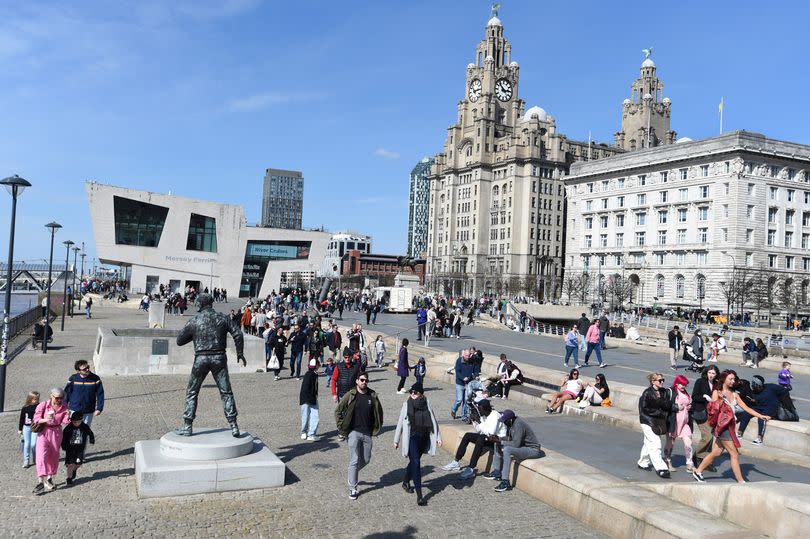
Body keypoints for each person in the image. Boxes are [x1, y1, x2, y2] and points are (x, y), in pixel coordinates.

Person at [174, 293, 247, 437]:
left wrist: (195, 334)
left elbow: (180, 341)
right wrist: (239, 353)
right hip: (219, 358)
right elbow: (238, 334)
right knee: (226, 391)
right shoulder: (222, 318)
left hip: (201, 359)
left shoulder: (194, 321)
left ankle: (187, 426)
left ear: (200, 304)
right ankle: (233, 425)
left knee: (192, 392)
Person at [693, 370, 771, 483]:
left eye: (734, 379)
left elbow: (746, 408)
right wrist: (719, 399)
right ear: (724, 379)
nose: (733, 381)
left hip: (730, 426)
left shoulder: (735, 394)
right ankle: (741, 481)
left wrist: (761, 416)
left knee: (716, 452)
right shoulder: (717, 392)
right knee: (734, 454)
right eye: (730, 379)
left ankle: (698, 471)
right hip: (722, 427)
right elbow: (712, 410)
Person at [335, 373, 383, 500]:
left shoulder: (372, 395)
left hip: (367, 433)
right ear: (357, 381)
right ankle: (353, 488)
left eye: (366, 380)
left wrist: (377, 427)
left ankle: (352, 473)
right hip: (353, 432)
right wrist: (342, 427)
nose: (364, 382)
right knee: (354, 460)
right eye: (362, 380)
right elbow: (338, 410)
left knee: (366, 459)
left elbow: (379, 413)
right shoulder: (351, 395)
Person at [394, 382, 442, 506]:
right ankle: (420, 496)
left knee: (413, 462)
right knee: (416, 463)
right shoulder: (406, 405)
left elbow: (433, 420)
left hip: (424, 437)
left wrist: (438, 437)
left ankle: (405, 481)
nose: (412, 394)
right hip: (411, 438)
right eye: (411, 392)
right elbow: (400, 422)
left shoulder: (427, 403)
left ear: (421, 394)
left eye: (415, 392)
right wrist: (396, 440)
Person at [442, 399, 504, 479]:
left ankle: (470, 468)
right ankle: (456, 462)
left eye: (480, 410)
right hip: (487, 437)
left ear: (486, 409)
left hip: (497, 440)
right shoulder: (484, 415)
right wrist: (474, 421)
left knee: (481, 439)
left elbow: (490, 433)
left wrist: (479, 421)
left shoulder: (495, 415)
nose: (479, 411)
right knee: (467, 435)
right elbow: (479, 430)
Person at [485, 410, 542, 493]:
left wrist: (500, 441)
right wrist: (498, 439)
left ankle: (505, 481)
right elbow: (509, 439)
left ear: (510, 419)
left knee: (507, 450)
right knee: (496, 443)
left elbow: (516, 444)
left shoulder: (519, 425)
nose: (503, 423)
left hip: (533, 449)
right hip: (523, 447)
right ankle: (497, 472)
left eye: (505, 421)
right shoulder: (511, 424)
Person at [32, 388, 71, 493]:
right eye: (57, 397)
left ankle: (49, 479)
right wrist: (46, 420)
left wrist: (68, 415)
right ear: (51, 396)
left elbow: (65, 422)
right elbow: (36, 419)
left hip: (57, 432)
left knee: (53, 456)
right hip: (44, 431)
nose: (59, 400)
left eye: (61, 398)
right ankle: (40, 481)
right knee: (41, 455)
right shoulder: (43, 405)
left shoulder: (64, 406)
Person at [637, 373, 674, 478]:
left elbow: (667, 405)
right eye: (659, 380)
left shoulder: (664, 392)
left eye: (663, 380)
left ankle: (642, 462)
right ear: (653, 381)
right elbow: (644, 409)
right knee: (655, 443)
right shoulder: (647, 393)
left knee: (648, 442)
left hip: (658, 422)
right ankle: (661, 468)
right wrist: (660, 413)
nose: (662, 382)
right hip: (647, 421)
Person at [737, 375, 789, 445]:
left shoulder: (771, 387)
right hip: (759, 407)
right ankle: (740, 433)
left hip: (770, 407)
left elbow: (784, 391)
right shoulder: (753, 392)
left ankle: (759, 438)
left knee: (761, 418)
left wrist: (782, 402)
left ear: (760, 385)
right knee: (746, 413)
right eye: (753, 385)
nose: (754, 387)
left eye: (756, 385)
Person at [690, 365, 719, 471]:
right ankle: (697, 456)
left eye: (713, 373)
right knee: (707, 436)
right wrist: (704, 397)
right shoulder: (700, 381)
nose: (711, 375)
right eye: (709, 373)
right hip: (700, 412)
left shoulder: (716, 384)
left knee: (711, 437)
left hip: (711, 414)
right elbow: (694, 396)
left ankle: (705, 460)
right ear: (706, 373)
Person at [664, 375, 693, 472]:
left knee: (688, 443)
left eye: (685, 385)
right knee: (670, 444)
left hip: (685, 423)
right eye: (681, 384)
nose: (683, 386)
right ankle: (668, 461)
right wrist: (676, 407)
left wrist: (689, 407)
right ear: (676, 382)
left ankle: (689, 463)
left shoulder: (686, 393)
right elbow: (665, 405)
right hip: (673, 422)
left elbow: (689, 403)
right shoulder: (670, 391)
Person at [64, 360, 105, 426]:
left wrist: (99, 408)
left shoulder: (95, 379)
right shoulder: (73, 378)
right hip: (74, 409)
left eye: (88, 367)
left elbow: (100, 394)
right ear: (78, 371)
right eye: (84, 369)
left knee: (85, 430)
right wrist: (64, 407)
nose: (87, 369)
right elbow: (67, 393)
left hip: (88, 410)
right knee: (74, 429)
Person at [61, 411, 95, 485]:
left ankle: (74, 469)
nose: (75, 423)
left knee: (78, 463)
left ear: (81, 420)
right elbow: (63, 437)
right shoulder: (68, 428)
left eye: (77, 422)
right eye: (74, 422)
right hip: (70, 449)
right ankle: (69, 478)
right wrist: (63, 445)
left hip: (80, 449)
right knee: (70, 464)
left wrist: (92, 439)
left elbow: (90, 433)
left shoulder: (84, 426)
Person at [450, 349, 476, 420]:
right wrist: (463, 378)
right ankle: (453, 410)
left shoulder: (472, 361)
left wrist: (472, 376)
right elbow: (457, 372)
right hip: (460, 383)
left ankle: (463, 415)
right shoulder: (459, 361)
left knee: (466, 400)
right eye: (467, 355)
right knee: (459, 399)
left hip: (468, 383)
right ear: (463, 355)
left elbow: (473, 371)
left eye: (469, 355)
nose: (468, 357)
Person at [299, 359, 320, 441]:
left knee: (307, 416)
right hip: (309, 398)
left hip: (307, 398)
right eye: (318, 365)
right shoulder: (312, 374)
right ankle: (308, 433)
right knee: (311, 416)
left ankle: (306, 432)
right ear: (316, 366)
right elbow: (309, 388)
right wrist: (313, 397)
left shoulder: (309, 373)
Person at [19, 391, 40, 468]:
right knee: (27, 444)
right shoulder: (25, 408)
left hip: (35, 427)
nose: (36, 401)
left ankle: (36, 458)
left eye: (37, 399)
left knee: (33, 444)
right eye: (35, 399)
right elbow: (21, 418)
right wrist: (20, 429)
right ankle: (26, 460)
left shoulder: (39, 407)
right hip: (26, 427)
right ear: (30, 399)